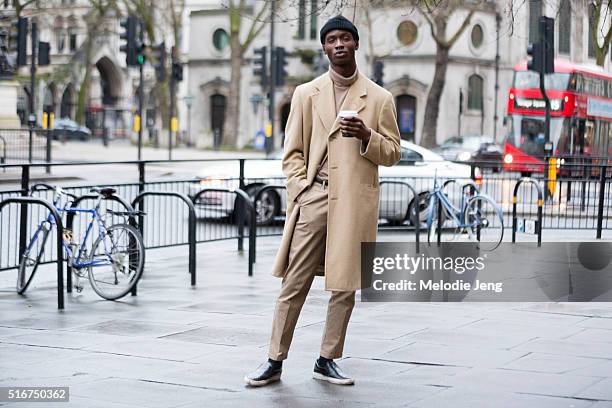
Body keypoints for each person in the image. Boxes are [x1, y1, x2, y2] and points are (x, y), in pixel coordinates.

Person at [244, 15, 401, 387]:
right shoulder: (305, 93)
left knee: (343, 286)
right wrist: (302, 189)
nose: (339, 44)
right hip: (314, 197)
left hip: (353, 203)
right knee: (293, 283)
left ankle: (327, 358)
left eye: (346, 38)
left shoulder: (379, 98)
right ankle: (273, 359)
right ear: (325, 47)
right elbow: (292, 152)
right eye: (332, 39)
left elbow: (393, 152)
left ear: (356, 44)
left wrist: (366, 135)